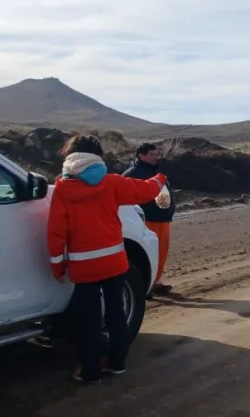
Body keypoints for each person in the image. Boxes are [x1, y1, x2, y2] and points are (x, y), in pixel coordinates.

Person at [48, 134, 168, 384]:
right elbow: (144, 190)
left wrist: (57, 264)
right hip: (114, 260)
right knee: (116, 313)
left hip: (84, 265)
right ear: (97, 156)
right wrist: (159, 179)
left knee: (90, 320)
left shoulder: (63, 189)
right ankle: (117, 363)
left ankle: (91, 371)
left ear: (69, 157)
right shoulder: (112, 182)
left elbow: (56, 231)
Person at [122, 142, 175, 295]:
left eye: (156, 154)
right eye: (151, 154)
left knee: (161, 252)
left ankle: (156, 282)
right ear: (141, 155)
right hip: (146, 220)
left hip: (163, 219)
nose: (155, 157)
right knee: (146, 254)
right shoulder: (132, 174)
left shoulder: (158, 171)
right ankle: (145, 285)